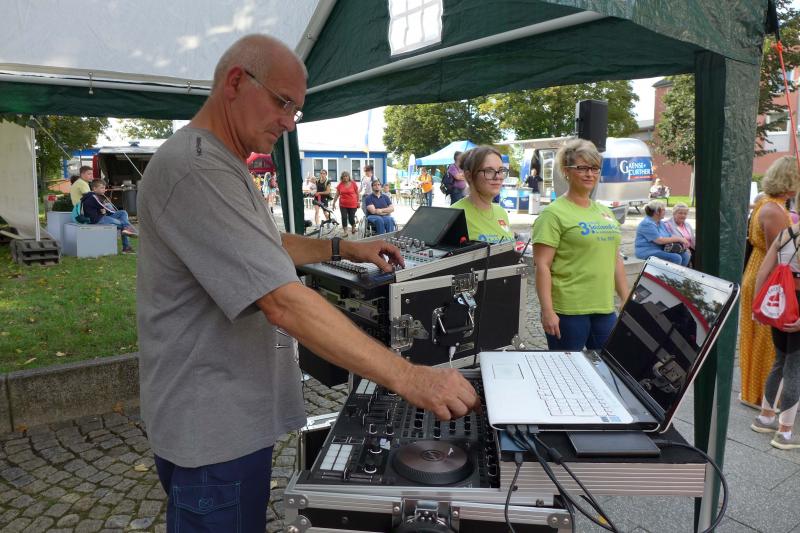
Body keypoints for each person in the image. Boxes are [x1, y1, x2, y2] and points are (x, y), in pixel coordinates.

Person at [136, 35, 477, 532]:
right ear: (236, 82)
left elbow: (264, 245)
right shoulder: (198, 168)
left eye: (296, 109)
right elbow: (283, 301)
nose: (290, 121)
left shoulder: (218, 160)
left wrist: (342, 247)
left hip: (224, 417)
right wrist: (410, 378)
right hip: (212, 430)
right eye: (283, 102)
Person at [532, 139, 629, 350]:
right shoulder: (553, 214)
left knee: (605, 366)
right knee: (566, 368)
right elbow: (542, 265)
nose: (589, 174)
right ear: (566, 171)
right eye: (582, 168)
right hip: (568, 311)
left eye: (594, 168)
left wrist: (625, 297)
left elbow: (615, 259)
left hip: (604, 309)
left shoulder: (605, 212)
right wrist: (547, 311)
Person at [740, 156, 800, 408]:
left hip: (759, 269)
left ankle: (757, 394)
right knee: (769, 344)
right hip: (771, 276)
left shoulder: (765, 203)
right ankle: (764, 398)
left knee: (760, 339)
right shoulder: (775, 211)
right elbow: (781, 255)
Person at [752, 223, 800, 449]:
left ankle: (765, 417)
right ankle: (785, 432)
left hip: (780, 298)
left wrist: (757, 307)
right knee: (795, 367)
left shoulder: (785, 234)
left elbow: (763, 271)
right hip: (797, 304)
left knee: (780, 360)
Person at [450, 146, 513, 244]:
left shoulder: (501, 212)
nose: (498, 177)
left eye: (501, 170)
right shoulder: (455, 216)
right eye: (489, 171)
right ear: (469, 176)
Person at [80, 179, 137, 254]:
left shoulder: (94, 196)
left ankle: (127, 231)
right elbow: (105, 208)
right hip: (98, 220)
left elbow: (103, 209)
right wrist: (107, 211)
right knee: (124, 225)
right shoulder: (93, 197)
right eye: (102, 188)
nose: (104, 189)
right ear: (94, 188)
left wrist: (105, 210)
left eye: (104, 187)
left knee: (123, 212)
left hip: (102, 217)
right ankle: (127, 247)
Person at [634, 200, 691, 266]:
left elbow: (669, 236)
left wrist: (683, 243)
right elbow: (659, 240)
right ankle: (670, 273)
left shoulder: (660, 223)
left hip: (661, 249)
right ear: (657, 212)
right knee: (676, 258)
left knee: (685, 255)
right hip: (647, 251)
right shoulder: (647, 224)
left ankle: (679, 272)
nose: (665, 212)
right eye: (663, 210)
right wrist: (679, 239)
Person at [333, 171, 359, 237]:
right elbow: (337, 194)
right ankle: (345, 231)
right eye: (344, 176)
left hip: (353, 204)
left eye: (346, 176)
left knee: (351, 218)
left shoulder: (353, 183)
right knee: (344, 217)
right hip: (343, 204)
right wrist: (334, 203)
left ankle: (353, 226)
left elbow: (357, 193)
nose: (345, 177)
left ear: (349, 177)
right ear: (342, 177)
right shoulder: (340, 184)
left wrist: (358, 202)